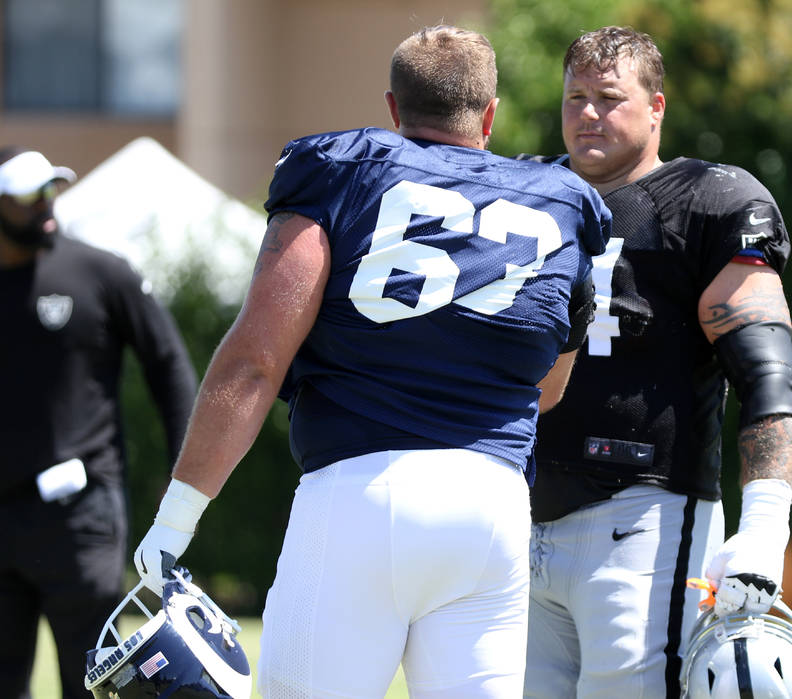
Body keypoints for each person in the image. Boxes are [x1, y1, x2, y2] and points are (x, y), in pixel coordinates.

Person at [132, 24, 611, 698]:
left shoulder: (340, 169)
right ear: (490, 114)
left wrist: (176, 517)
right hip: (492, 507)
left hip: (361, 495)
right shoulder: (558, 204)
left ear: (393, 108)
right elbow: (549, 388)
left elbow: (254, 362)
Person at [522, 26, 792, 699]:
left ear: (657, 107)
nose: (588, 113)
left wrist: (765, 525)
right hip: (515, 509)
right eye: (576, 97)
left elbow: (767, 375)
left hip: (641, 514)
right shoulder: (525, 195)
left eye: (609, 97)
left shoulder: (707, 201)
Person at [0, 147, 198, 698]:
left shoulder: (98, 273)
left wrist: (184, 479)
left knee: (92, 683)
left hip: (79, 517)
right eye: (26, 197)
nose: (45, 207)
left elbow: (170, 368)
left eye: (49, 191)